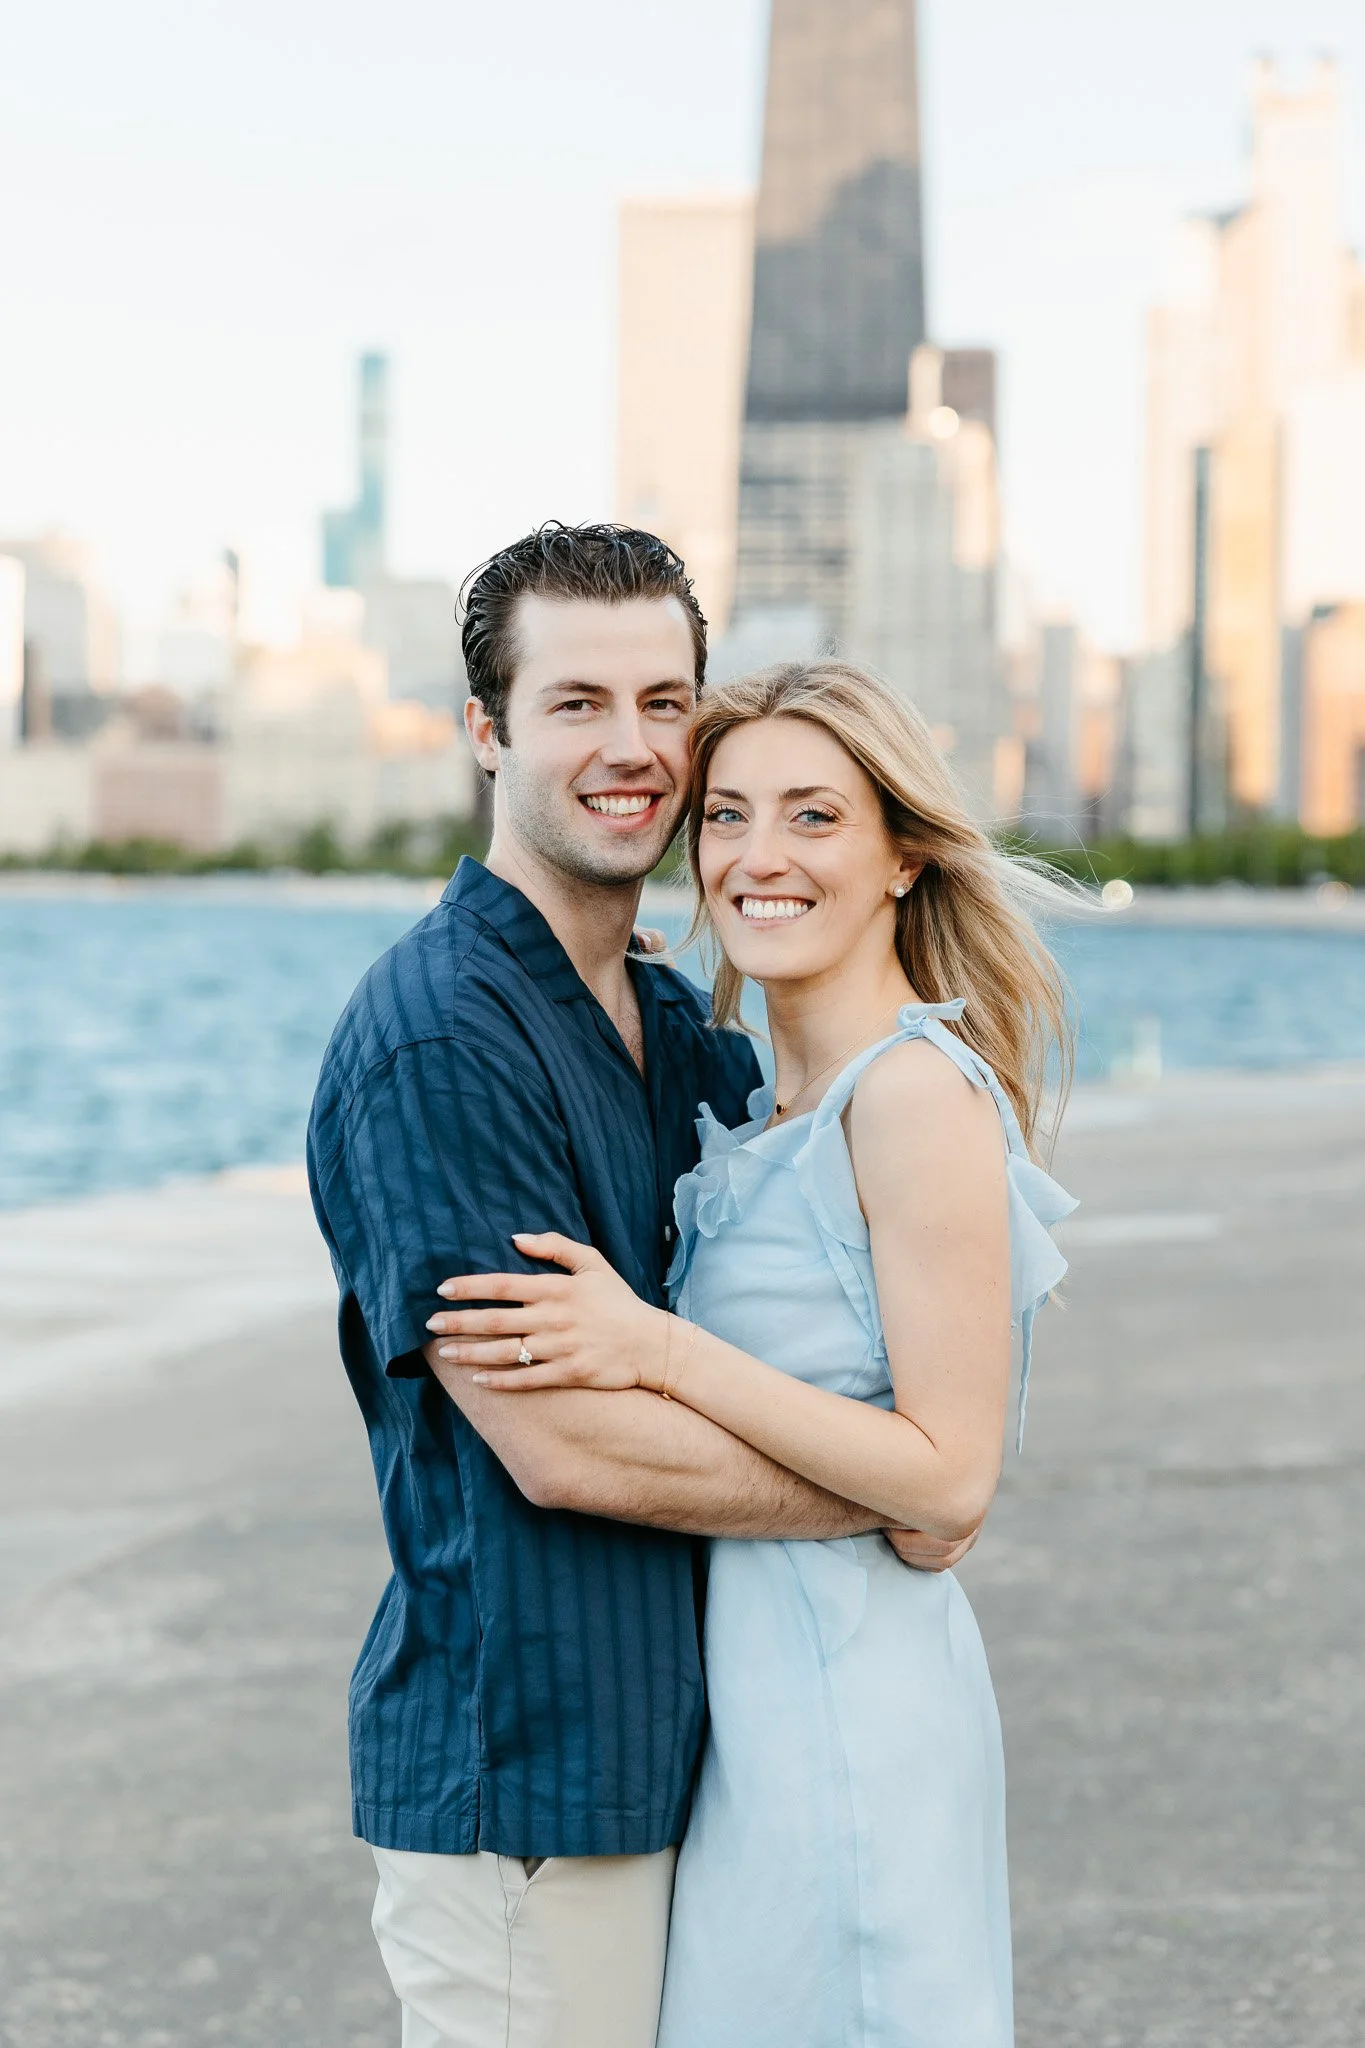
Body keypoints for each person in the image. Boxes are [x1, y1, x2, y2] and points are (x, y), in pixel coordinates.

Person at [308, 529, 963, 2048]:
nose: (632, 749)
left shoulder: (683, 1034)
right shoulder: (440, 1043)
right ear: (487, 732)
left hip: (706, 1758)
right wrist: (900, 1490)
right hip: (532, 1777)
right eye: (577, 704)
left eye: (665, 703)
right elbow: (564, 1441)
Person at [427, 658, 1079, 2048]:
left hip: (852, 1715)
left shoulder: (911, 1099)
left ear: (905, 856)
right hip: (745, 1720)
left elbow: (949, 1485)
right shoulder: (753, 1095)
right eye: (725, 817)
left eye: (814, 818)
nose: (756, 857)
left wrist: (655, 1348)